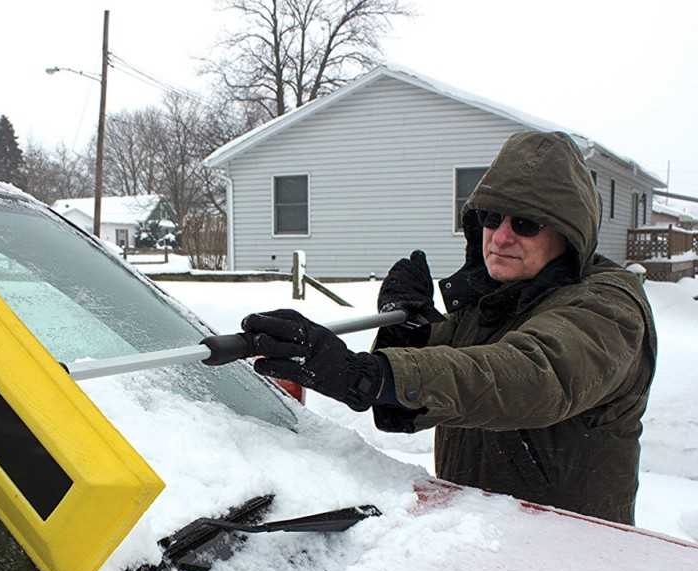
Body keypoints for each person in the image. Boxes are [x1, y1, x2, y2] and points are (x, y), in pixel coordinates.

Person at [241, 131, 657, 525]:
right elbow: (431, 388)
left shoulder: (608, 306)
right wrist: (410, 324)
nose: (501, 236)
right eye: (492, 218)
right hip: (473, 542)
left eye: (526, 224)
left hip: (571, 562)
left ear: (569, 233)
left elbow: (529, 375)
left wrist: (366, 374)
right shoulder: (495, 301)